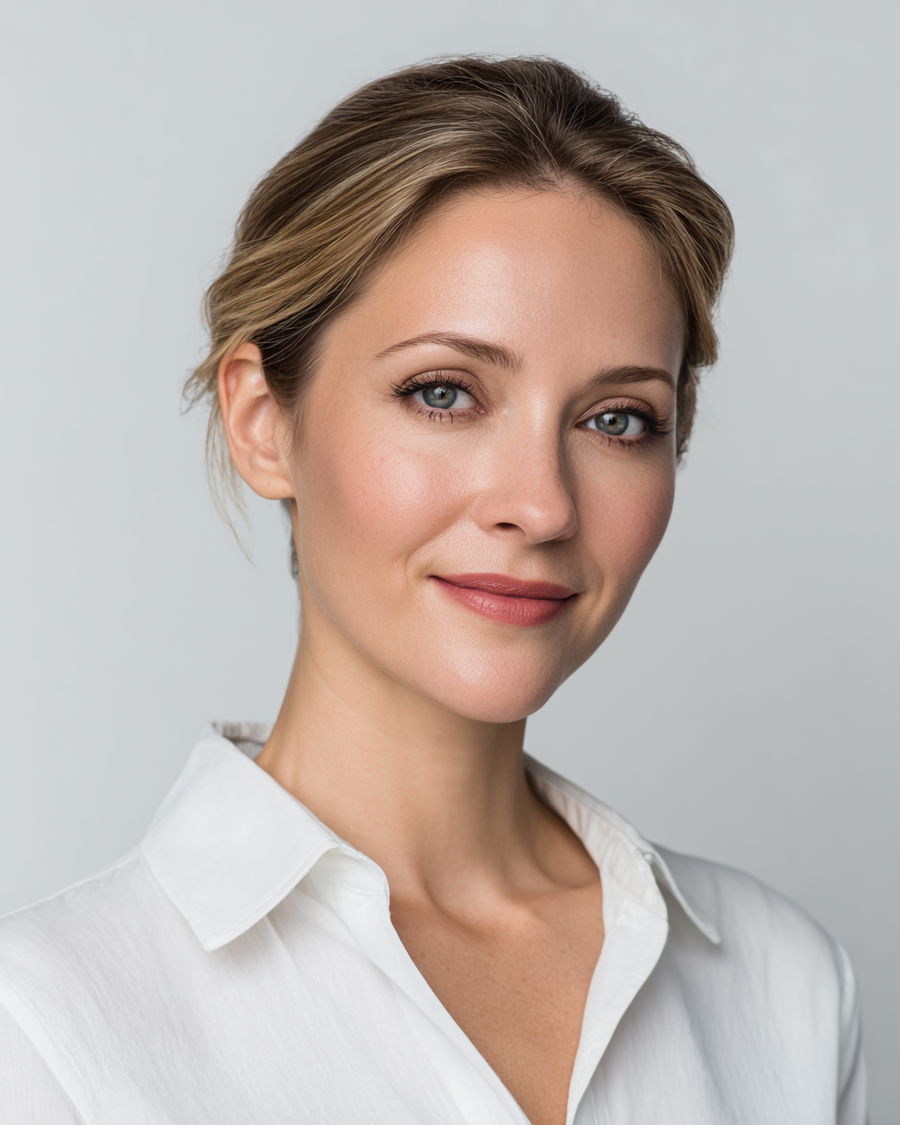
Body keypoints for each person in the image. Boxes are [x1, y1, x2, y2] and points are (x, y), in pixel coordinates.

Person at [0, 54, 868, 1125]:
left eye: (617, 420)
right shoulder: (45, 1026)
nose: (541, 504)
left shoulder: (783, 989)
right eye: (445, 393)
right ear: (264, 422)